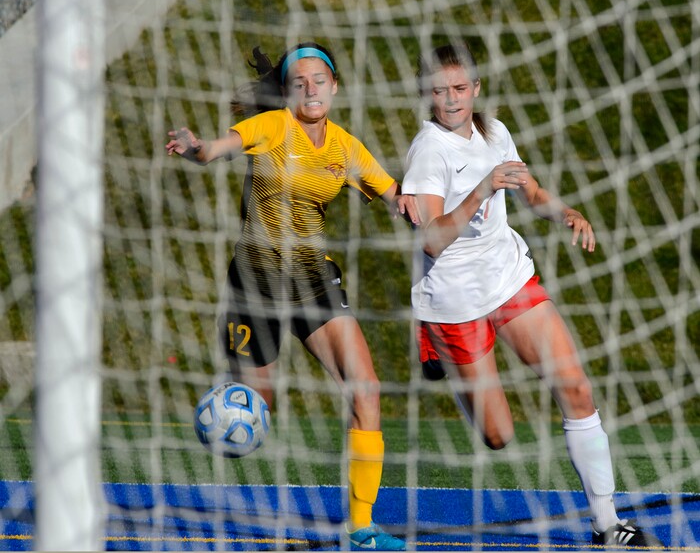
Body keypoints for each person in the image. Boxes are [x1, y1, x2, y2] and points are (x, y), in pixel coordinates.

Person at [401, 43, 661, 548]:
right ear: (425, 93)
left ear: (476, 88)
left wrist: (567, 212)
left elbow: (531, 191)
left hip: (508, 277)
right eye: (440, 90)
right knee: (498, 435)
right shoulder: (429, 151)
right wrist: (480, 190)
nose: (451, 99)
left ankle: (607, 527)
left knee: (577, 388)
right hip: (454, 300)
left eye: (460, 88)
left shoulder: (495, 132)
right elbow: (431, 238)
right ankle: (434, 342)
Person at [166, 42, 417, 551]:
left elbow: (398, 197)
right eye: (299, 81)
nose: (310, 89)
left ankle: (361, 529)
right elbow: (215, 149)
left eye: (319, 79)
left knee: (365, 388)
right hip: (253, 285)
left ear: (335, 86)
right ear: (286, 91)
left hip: (311, 280)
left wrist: (436, 200)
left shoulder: (346, 147)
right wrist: (196, 147)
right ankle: (223, 403)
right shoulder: (272, 126)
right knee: (258, 406)